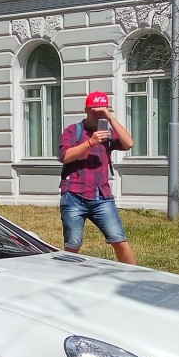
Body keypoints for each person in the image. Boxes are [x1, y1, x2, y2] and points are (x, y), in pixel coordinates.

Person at [58, 91, 136, 264]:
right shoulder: (73, 130)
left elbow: (129, 143)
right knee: (73, 244)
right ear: (86, 110)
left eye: (102, 111)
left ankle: (135, 277)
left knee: (119, 240)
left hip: (102, 196)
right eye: (95, 111)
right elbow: (65, 156)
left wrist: (110, 117)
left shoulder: (107, 132)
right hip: (74, 195)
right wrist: (90, 143)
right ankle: (66, 277)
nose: (98, 115)